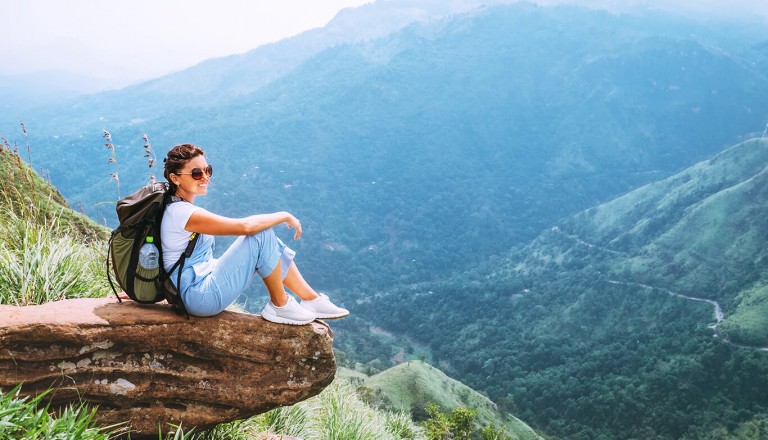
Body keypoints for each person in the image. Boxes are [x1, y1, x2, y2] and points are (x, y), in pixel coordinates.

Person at [160, 143, 348, 325]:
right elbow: (247, 227)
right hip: (198, 297)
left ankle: (311, 299)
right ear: (175, 178)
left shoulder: (175, 206)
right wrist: (284, 215)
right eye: (196, 173)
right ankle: (279, 304)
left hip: (197, 282)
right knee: (261, 234)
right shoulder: (182, 213)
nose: (205, 177)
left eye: (207, 170)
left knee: (268, 242)